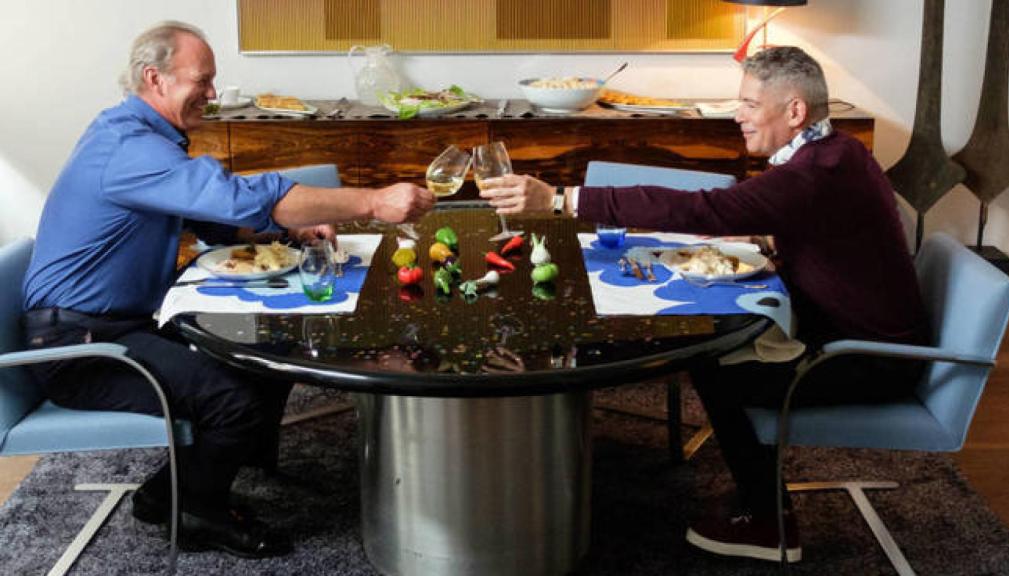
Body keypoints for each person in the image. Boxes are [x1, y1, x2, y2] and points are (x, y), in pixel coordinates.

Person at [480, 46, 928, 564]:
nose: (738, 115)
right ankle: (758, 499)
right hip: (854, 331)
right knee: (713, 347)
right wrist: (768, 241)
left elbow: (705, 208)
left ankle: (770, 525)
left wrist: (562, 199)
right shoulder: (838, 152)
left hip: (869, 359)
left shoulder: (815, 172)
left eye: (750, 104)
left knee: (717, 371)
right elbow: (817, 227)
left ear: (795, 111)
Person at [21, 21, 434, 558]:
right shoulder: (127, 147)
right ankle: (196, 512)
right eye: (203, 80)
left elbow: (212, 218)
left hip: (115, 325)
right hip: (79, 347)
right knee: (231, 401)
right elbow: (239, 198)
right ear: (155, 78)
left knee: (265, 357)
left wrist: (286, 232)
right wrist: (373, 201)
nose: (213, 94)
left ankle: (173, 488)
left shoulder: (139, 137)